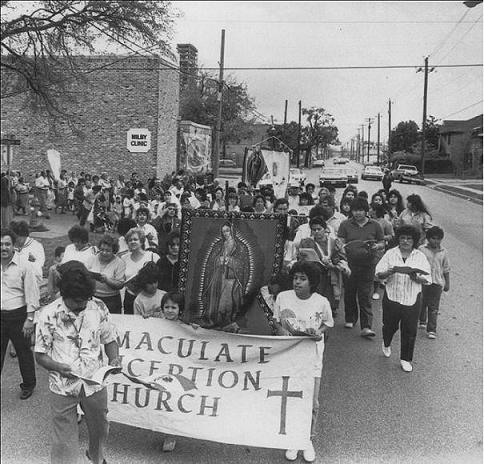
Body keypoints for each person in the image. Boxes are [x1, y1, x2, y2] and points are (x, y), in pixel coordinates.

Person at [34, 265, 120, 464]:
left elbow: (110, 339)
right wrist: (57, 367)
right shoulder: (48, 314)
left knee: (101, 427)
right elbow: (40, 355)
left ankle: (96, 456)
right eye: (76, 302)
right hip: (62, 386)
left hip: (94, 383)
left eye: (85, 300)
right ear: (64, 294)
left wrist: (114, 358)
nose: (82, 305)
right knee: (63, 442)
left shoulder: (97, 306)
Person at [272, 261, 334, 463]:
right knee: (289, 397)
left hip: (312, 358)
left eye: (302, 279)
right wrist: (281, 330)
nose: (297, 282)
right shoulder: (283, 297)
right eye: (295, 278)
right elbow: (276, 321)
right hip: (288, 356)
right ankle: (293, 438)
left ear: (312, 282)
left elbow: (327, 323)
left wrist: (319, 332)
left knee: (311, 401)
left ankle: (307, 439)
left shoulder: (322, 301)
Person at [375, 225, 431, 372]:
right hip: (392, 296)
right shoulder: (390, 254)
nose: (405, 241)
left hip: (412, 298)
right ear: (398, 239)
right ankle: (386, 342)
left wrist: (417, 277)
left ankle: (405, 358)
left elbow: (428, 279)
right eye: (402, 238)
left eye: (409, 239)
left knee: (409, 330)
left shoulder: (420, 256)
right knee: (389, 326)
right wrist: (387, 272)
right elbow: (378, 274)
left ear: (414, 241)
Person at [1, 228, 39, 400]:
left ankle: (28, 384)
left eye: (7, 244)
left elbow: (32, 294)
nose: (3, 248)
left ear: (13, 245)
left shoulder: (25, 265)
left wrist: (30, 319)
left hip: (18, 316)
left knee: (23, 352)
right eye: (0, 244)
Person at [337, 197, 385, 337]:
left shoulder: (375, 225)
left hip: (368, 264)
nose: (357, 213)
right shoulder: (345, 224)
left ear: (366, 210)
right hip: (349, 264)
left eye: (360, 210)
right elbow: (340, 240)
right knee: (350, 292)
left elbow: (382, 242)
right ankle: (350, 318)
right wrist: (342, 246)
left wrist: (377, 246)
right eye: (355, 210)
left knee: (365, 295)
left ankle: (366, 326)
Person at [202, 222, 249, 328]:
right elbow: (212, 261)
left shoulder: (240, 247)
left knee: (227, 299)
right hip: (219, 276)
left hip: (232, 278)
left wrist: (230, 261)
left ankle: (228, 321)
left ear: (232, 230)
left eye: (227, 230)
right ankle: (215, 320)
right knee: (217, 300)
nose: (225, 233)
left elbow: (244, 264)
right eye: (223, 231)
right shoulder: (218, 245)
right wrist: (218, 260)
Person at [418, 226, 451, 339]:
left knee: (434, 306)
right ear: (428, 238)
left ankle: (431, 329)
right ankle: (422, 320)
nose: (435, 241)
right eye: (433, 238)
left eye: (438, 239)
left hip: (436, 282)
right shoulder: (421, 249)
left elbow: (446, 268)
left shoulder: (443, 252)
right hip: (423, 280)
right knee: (421, 301)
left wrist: (447, 283)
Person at [121, 227, 160, 314]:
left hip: (148, 298)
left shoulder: (152, 256)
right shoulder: (124, 258)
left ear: (141, 241)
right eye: (130, 240)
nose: (132, 242)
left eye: (135, 239)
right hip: (130, 298)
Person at [86, 235, 126, 314]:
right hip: (93, 298)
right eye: (102, 250)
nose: (104, 253)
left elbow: (120, 285)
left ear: (113, 251)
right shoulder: (92, 259)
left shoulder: (119, 263)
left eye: (108, 251)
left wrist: (107, 280)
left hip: (111, 300)